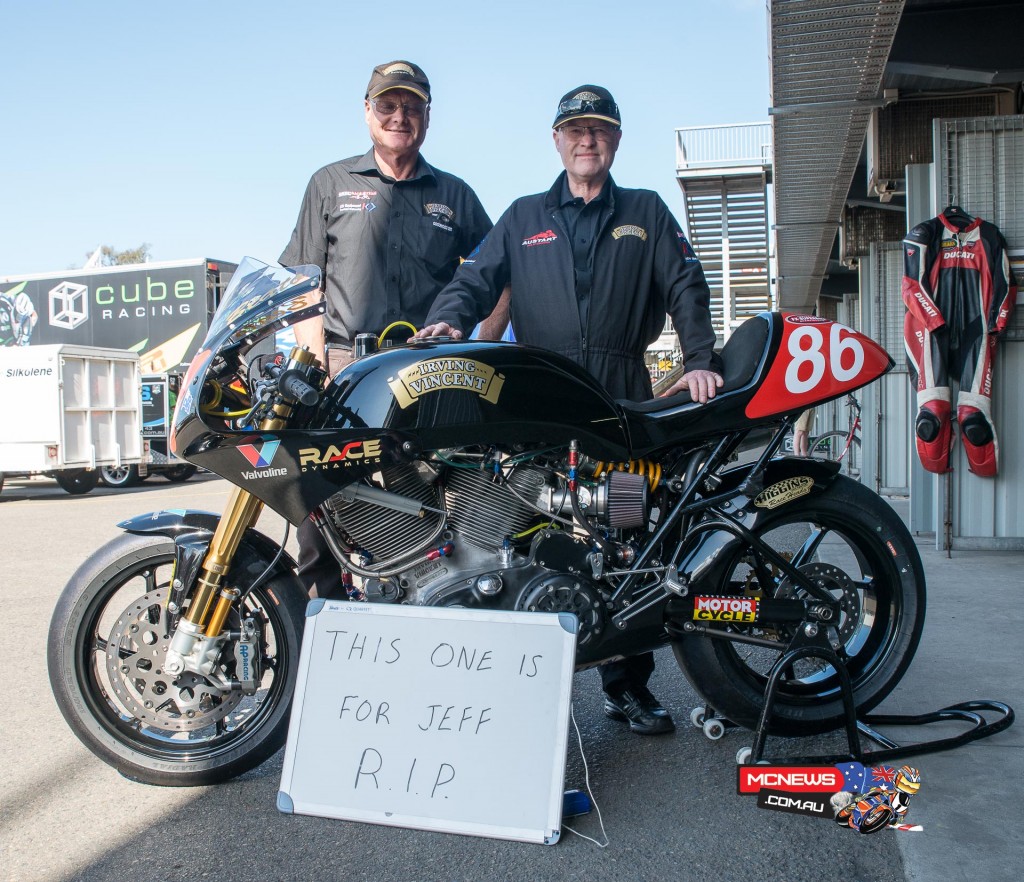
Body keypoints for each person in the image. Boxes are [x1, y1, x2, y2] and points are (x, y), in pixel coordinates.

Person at [416, 85, 724, 735]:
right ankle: (519, 683)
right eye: (576, 130)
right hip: (543, 403)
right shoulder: (525, 216)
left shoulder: (644, 210)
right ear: (557, 140)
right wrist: (446, 323)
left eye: (601, 130)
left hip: (620, 404)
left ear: (615, 141)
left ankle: (626, 688)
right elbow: (474, 279)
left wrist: (700, 358)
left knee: (626, 542)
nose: (588, 140)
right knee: (528, 535)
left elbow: (687, 285)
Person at [280, 60, 506, 598]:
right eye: (388, 104)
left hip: (428, 370)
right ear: (367, 112)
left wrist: (481, 343)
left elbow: (500, 278)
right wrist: (316, 370)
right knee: (321, 501)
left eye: (412, 106)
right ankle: (324, 623)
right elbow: (305, 281)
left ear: (428, 116)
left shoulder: (455, 195)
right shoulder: (330, 184)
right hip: (345, 369)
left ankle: (428, 600)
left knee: (431, 492)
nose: (399, 116)